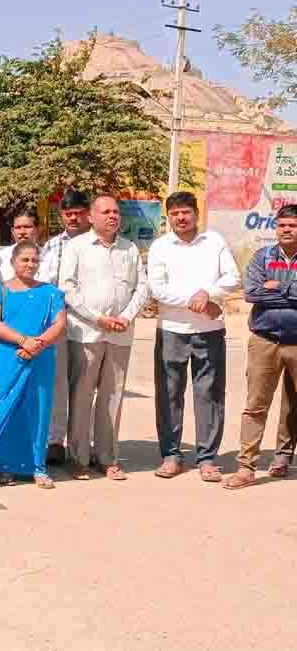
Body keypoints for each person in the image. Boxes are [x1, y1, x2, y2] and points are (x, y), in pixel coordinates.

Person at [147, 191, 240, 483]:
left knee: (210, 395)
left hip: (210, 331)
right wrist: (197, 300)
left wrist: (208, 294)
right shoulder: (161, 246)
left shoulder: (214, 242)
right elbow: (157, 289)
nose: (181, 218)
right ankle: (171, 455)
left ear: (196, 213)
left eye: (186, 212)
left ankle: (207, 459)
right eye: (175, 213)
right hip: (172, 330)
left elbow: (232, 277)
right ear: (168, 217)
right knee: (169, 394)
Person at [0, 241, 67, 488]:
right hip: (11, 356)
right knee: (7, 408)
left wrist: (37, 344)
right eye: (25, 260)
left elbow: (59, 324)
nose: (30, 265)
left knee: (39, 410)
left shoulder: (51, 292)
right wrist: (23, 341)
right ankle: (3, 465)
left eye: (34, 260)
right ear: (13, 262)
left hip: (41, 358)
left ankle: (37, 467)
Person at [59, 195, 148, 481]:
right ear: (91, 217)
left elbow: (142, 287)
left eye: (116, 212)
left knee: (113, 395)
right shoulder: (76, 247)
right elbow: (67, 288)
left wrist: (126, 316)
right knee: (82, 395)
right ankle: (78, 457)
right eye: (106, 211)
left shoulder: (129, 248)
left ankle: (107, 457)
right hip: (86, 332)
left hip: (120, 333)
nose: (112, 216)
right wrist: (98, 317)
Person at [223, 204, 297, 490]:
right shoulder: (262, 256)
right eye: (282, 225)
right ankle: (246, 467)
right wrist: (288, 292)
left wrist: (276, 287)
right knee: (255, 405)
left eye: (292, 224)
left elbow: (265, 291)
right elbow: (252, 293)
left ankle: (282, 457)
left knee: (293, 406)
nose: (286, 229)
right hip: (265, 341)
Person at [36, 191, 92, 465]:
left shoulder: (98, 243)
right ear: (61, 216)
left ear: (88, 214)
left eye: (79, 212)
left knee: (85, 385)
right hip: (58, 325)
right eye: (68, 213)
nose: (73, 217)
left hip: (90, 326)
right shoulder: (51, 246)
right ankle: (55, 440)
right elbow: (45, 284)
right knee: (57, 384)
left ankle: (81, 443)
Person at [0, 208, 42, 282]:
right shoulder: (0, 257)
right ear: (12, 231)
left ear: (38, 229)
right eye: (18, 227)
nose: (22, 232)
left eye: (27, 227)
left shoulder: (48, 255)